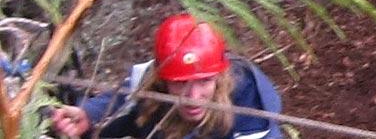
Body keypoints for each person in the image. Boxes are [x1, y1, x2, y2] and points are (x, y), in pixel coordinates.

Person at [51, 13, 282, 139]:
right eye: (180, 84)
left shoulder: (252, 114)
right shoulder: (156, 78)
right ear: (163, 78)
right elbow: (126, 95)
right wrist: (89, 115)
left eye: (204, 81)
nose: (193, 96)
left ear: (219, 77)